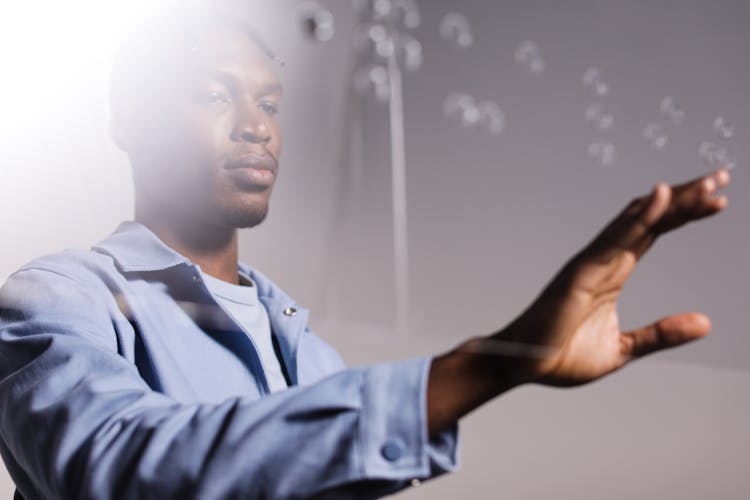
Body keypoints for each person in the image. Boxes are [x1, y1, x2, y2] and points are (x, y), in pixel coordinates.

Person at [0, 2, 732, 499]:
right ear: (129, 121)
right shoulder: (57, 299)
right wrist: (494, 361)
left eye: (269, 103)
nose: (256, 127)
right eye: (214, 95)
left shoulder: (307, 349)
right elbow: (120, 469)